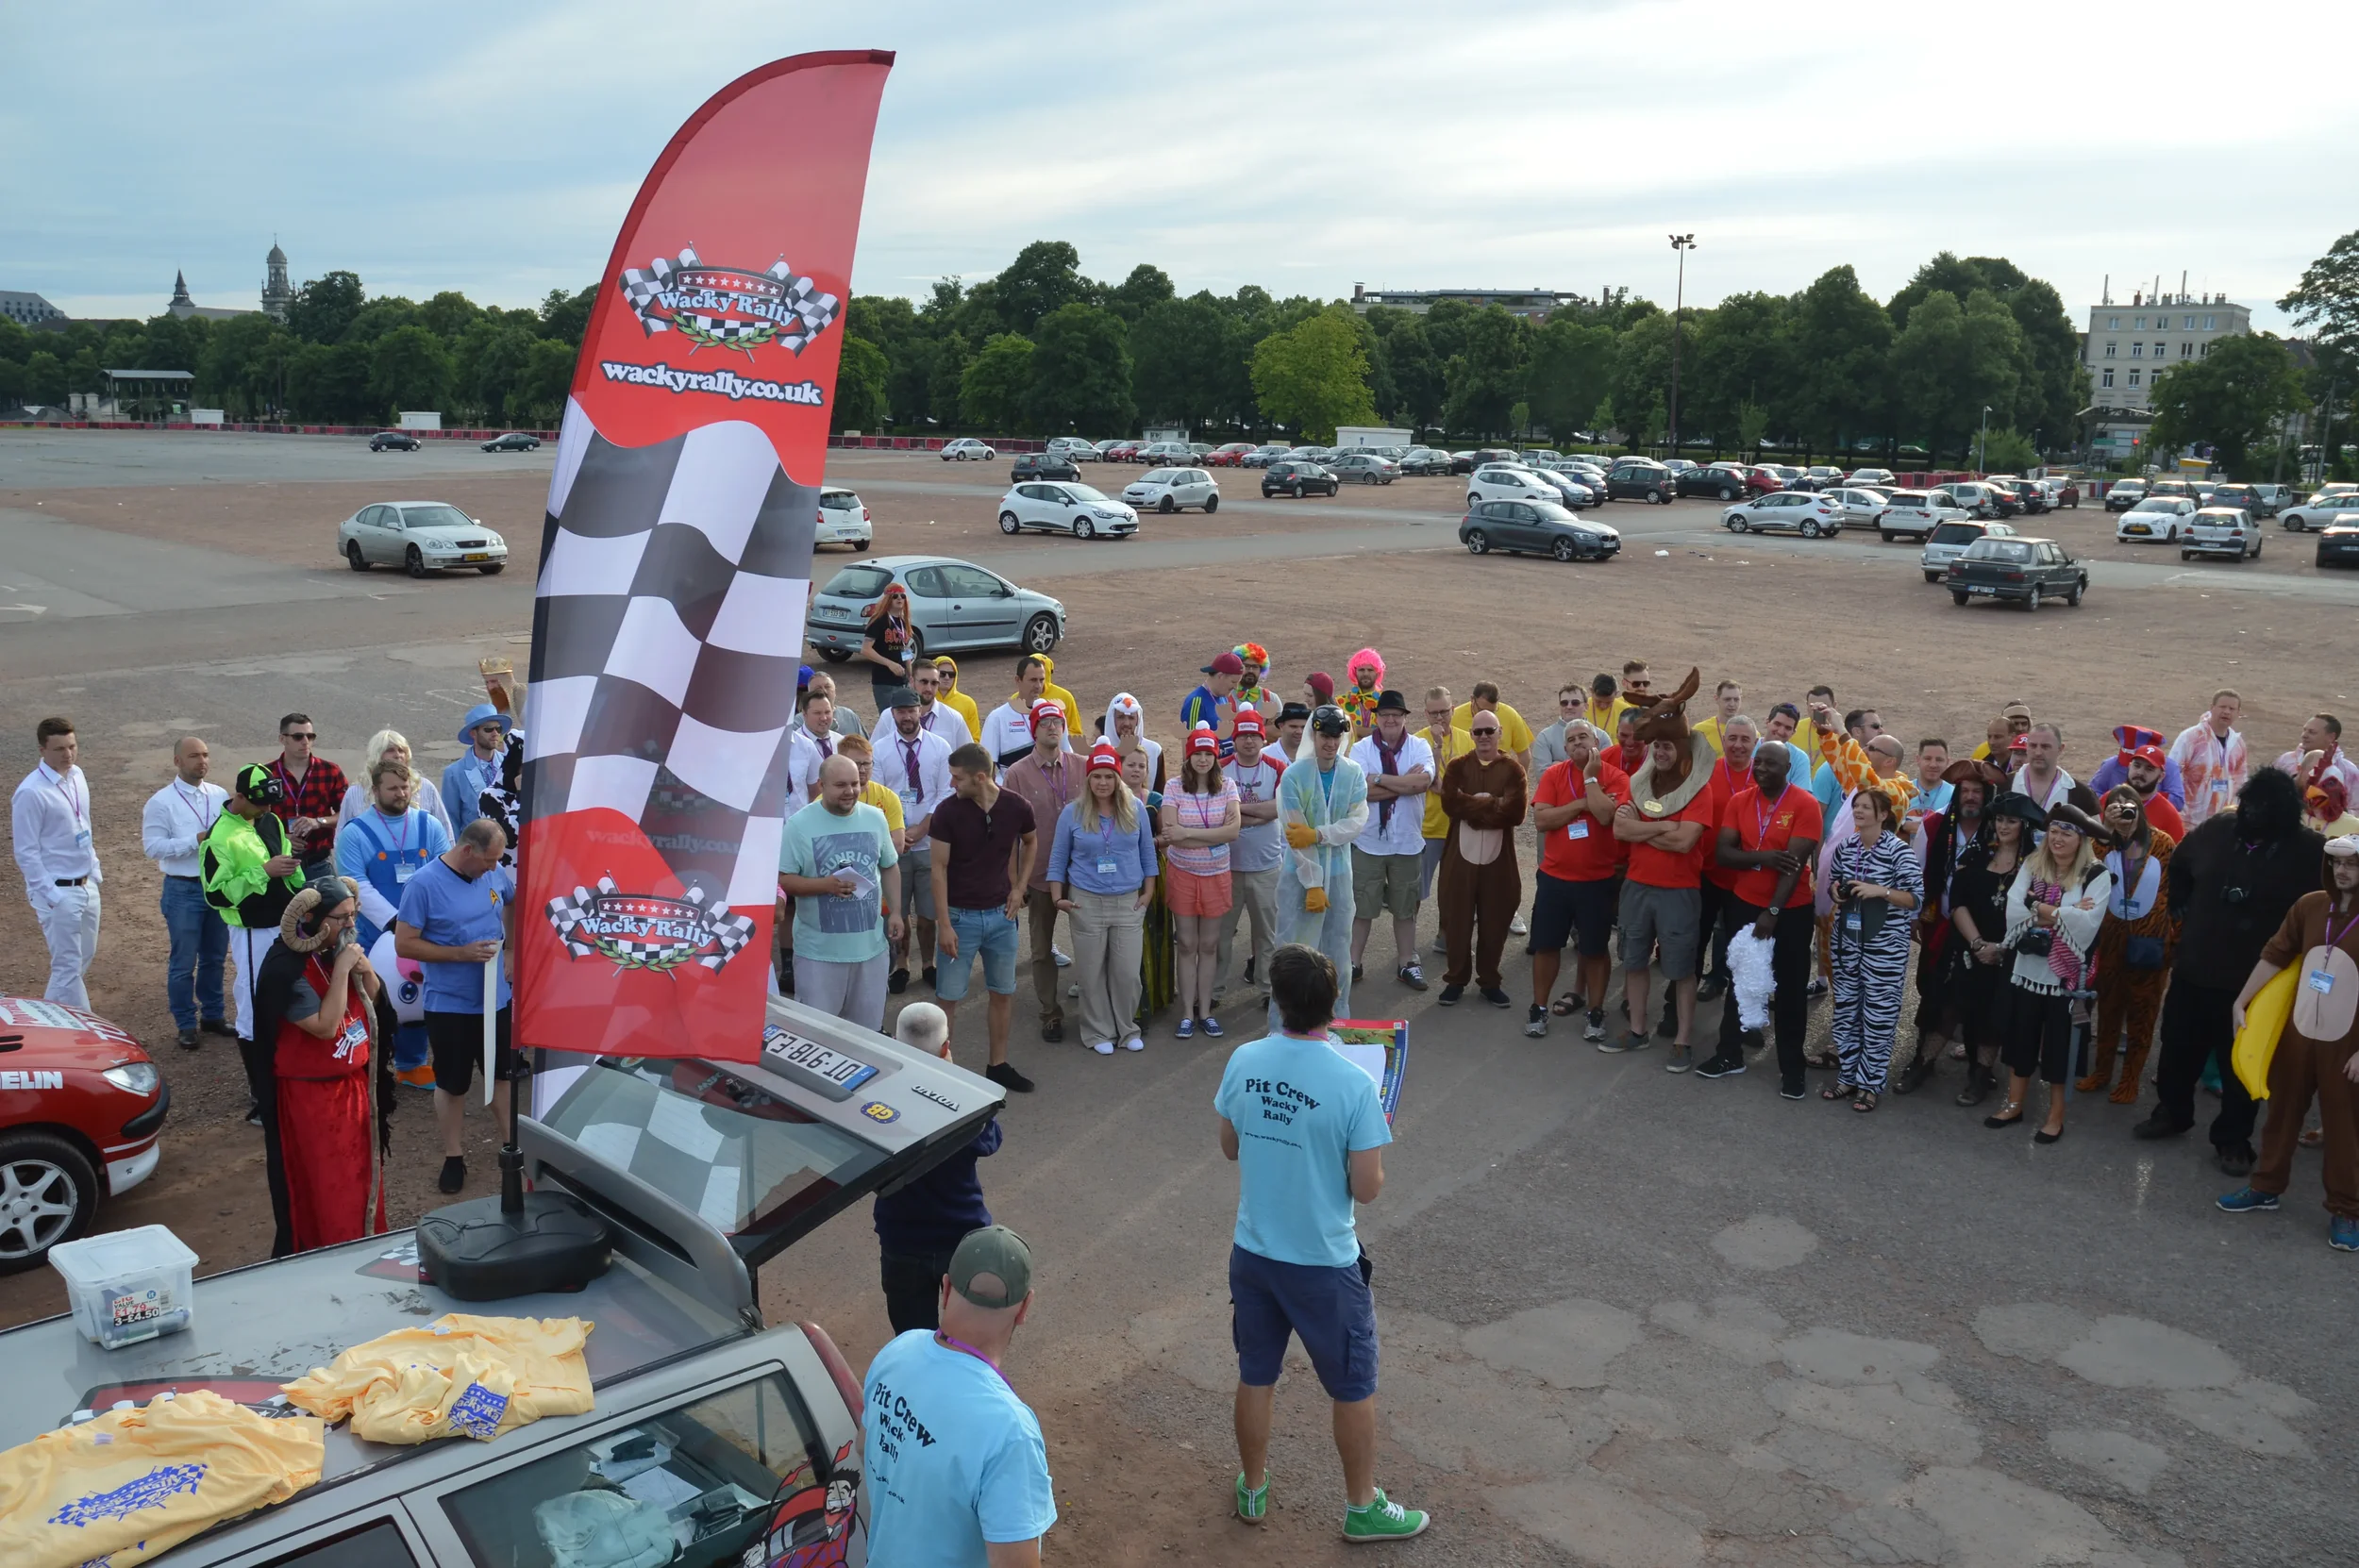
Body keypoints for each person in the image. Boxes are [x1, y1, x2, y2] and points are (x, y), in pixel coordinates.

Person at [1214, 944, 1427, 1542]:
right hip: (1324, 1262)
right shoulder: (1353, 1083)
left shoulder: (1243, 1059)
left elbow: (1230, 1146)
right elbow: (1368, 1189)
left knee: (1256, 1373)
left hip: (1254, 1250)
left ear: (1277, 1002)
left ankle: (1252, 1488)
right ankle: (1361, 1507)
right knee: (1353, 1385)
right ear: (1333, 1006)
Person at [2136, 768, 2324, 1172]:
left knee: (2241, 1067)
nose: (2254, 813)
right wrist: (2179, 902)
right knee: (2176, 1051)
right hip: (2194, 968)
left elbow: (2333, 897)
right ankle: (2172, 1113)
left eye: (2265, 808)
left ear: (2286, 813)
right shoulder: (2220, 830)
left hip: (2255, 984)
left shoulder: (2309, 852)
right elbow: (2181, 862)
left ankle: (2233, 1140)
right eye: (2250, 804)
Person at [860, 1226, 1057, 1564]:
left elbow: (867, 1445)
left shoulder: (897, 1351)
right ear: (1025, 1308)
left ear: (947, 1288)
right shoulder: (1010, 1432)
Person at [2217, 835, 2359, 1252]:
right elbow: (2275, 954)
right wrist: (2241, 1001)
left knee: (2344, 1126)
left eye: (2351, 864)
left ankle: (2347, 1208)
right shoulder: (2311, 906)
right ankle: (2266, 1187)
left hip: (2346, 1042)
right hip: (2299, 1033)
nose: (2342, 872)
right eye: (2336, 864)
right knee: (2280, 1113)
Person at [248, 869, 388, 1256]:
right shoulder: (287, 968)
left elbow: (374, 999)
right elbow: (326, 1027)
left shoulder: (335, 953)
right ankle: (332, 1253)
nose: (350, 924)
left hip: (353, 1090)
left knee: (362, 1178)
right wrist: (343, 970)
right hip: (312, 1098)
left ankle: (366, 1244)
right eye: (341, 918)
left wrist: (363, 969)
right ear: (313, 920)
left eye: (352, 915)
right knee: (329, 1183)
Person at [393, 818, 518, 1195]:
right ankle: (453, 1155)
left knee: (501, 1078)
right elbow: (405, 944)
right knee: (453, 1083)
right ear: (468, 851)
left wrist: (510, 946)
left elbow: (512, 902)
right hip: (450, 1005)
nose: (495, 868)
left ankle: (515, 1147)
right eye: (490, 860)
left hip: (495, 999)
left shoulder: (493, 876)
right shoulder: (424, 885)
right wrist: (459, 954)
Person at [874, 1003, 1005, 1327]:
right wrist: (952, 1077)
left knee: (912, 1341)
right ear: (946, 1046)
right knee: (965, 1342)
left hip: (901, 1237)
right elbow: (990, 1140)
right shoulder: (965, 1095)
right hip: (959, 1236)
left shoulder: (876, 1091)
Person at [1612, 672, 1717, 1065]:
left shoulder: (1699, 788)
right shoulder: (1638, 783)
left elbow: (1685, 841)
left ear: (1682, 746)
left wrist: (1645, 830)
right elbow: (1620, 827)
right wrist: (1663, 826)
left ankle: (1682, 1041)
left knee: (1681, 970)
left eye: (1669, 745)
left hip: (1678, 891)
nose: (1662, 751)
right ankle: (1638, 1030)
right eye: (1657, 745)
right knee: (1635, 962)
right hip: (1637, 887)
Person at [1989, 802, 2110, 1143]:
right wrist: (2062, 911)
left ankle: (2055, 1117)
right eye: (2053, 831)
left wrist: (2037, 908)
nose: (2057, 838)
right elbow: (2012, 911)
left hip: (2066, 979)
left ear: (2081, 838)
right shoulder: (2032, 863)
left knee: (2059, 1048)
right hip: (2027, 970)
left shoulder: (2097, 875)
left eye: (2066, 832)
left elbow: (2087, 926)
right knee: (2020, 1039)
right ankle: (2014, 1104)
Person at [1705, 738, 1821, 1090]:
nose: (1761, 769)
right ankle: (1729, 1054)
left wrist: (1772, 911)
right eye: (1758, 763)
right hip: (1743, 902)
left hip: (1791, 910)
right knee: (1740, 980)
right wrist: (1764, 857)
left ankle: (1792, 1068)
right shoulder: (1741, 802)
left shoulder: (1806, 804)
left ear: (1788, 769)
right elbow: (1723, 853)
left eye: (1771, 764)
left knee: (1789, 989)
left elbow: (1794, 864)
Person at [931, 743, 1038, 1093]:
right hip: (960, 919)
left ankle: (998, 1065)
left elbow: (1031, 841)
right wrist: (944, 924)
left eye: (957, 777)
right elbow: (938, 870)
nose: (952, 783)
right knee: (948, 998)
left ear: (980, 777)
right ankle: (942, 1070)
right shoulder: (946, 812)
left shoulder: (1017, 806)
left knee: (1002, 992)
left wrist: (1019, 887)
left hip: (1001, 918)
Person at [1898, 759, 2001, 1094]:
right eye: (1965, 791)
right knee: (1934, 992)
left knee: (1986, 1001)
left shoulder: (2002, 829)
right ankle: (1921, 1060)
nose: (1971, 797)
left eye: (1977, 791)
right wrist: (1915, 915)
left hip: (1989, 929)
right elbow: (1918, 875)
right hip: (1941, 925)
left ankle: (1980, 1071)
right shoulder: (1933, 826)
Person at [1048, 742, 1160, 1054]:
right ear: (1088, 779)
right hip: (1086, 901)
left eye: (1109, 776)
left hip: (1128, 901)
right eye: (1096, 776)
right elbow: (1058, 858)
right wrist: (1058, 898)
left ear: (1118, 778)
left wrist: (1149, 891)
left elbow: (1147, 853)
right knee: (1091, 973)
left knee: (1126, 973)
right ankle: (1098, 1033)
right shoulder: (1073, 812)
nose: (1102, 782)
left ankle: (1127, 1029)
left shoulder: (1135, 808)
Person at [204, 762, 308, 1095]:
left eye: (270, 804)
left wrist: (294, 876)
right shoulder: (218, 837)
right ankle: (260, 1094)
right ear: (239, 797)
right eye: (260, 803)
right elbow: (217, 894)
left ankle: (286, 1080)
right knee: (252, 1008)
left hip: (286, 925)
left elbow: (286, 861)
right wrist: (264, 871)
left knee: (290, 998)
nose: (266, 810)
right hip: (251, 933)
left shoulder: (271, 820)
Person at [777, 756, 901, 1031]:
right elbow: (784, 879)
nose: (851, 791)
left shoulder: (875, 818)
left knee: (868, 1036)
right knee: (817, 1037)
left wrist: (897, 912)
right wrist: (827, 885)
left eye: (855, 784)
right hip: (819, 957)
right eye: (841, 785)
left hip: (871, 952)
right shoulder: (798, 825)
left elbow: (890, 866)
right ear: (821, 785)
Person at [1820, 790, 1924, 1113]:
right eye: (1856, 806)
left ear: (1883, 815)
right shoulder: (1846, 847)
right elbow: (1834, 883)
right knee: (1846, 1011)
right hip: (1847, 943)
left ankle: (1869, 1084)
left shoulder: (1899, 852)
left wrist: (1882, 892)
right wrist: (1836, 891)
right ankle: (1848, 1076)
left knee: (1878, 1016)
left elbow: (1916, 899)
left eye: (1866, 807)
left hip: (1885, 949)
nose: (1859, 811)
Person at [1529, 719, 1631, 1041]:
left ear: (1597, 741)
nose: (1576, 743)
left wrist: (1589, 780)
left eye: (1582, 737)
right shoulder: (1553, 775)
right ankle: (1539, 1007)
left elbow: (1605, 815)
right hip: (1554, 879)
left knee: (1595, 950)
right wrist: (1581, 804)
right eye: (1570, 740)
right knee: (1547, 946)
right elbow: (1542, 820)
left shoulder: (1616, 777)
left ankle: (1596, 1012)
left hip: (1597, 881)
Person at [2081, 785, 2177, 1104]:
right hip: (2110, 941)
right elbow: (2085, 872)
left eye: (2129, 806)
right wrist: (2106, 831)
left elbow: (2176, 893)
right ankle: (2102, 1073)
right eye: (2116, 806)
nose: (2124, 812)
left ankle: (2130, 1079)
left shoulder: (2162, 843)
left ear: (2140, 808)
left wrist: (2171, 939)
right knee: (2107, 1012)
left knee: (2142, 1016)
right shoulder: (2103, 845)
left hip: (2149, 943)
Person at [1275, 706, 1367, 1024]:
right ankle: (1284, 1024)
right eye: (1325, 736)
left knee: (1338, 953)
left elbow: (1357, 821)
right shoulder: (1294, 776)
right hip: (1299, 877)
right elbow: (1293, 833)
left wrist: (1319, 834)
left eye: (1336, 736)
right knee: (1292, 953)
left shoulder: (1353, 773)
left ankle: (1336, 1020)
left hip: (1340, 875)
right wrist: (1313, 882)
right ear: (1313, 735)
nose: (1330, 743)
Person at [142, 735, 231, 1048]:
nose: (202, 761)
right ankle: (185, 1023)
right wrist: (197, 839)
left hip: (218, 887)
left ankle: (213, 1015)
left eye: (206, 755)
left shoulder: (219, 795)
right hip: (183, 890)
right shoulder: (161, 802)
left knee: (215, 958)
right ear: (178, 761)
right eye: (194, 756)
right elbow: (153, 848)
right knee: (183, 961)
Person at [1436, 708, 1527, 1009]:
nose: (1484, 737)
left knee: (1495, 920)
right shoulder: (1458, 767)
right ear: (1471, 734)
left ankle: (1489, 981)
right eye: (1478, 732)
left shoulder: (1513, 770)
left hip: (1499, 860)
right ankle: (1456, 980)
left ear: (1500, 732)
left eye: (1490, 731)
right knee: (1456, 918)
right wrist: (1492, 805)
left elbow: (1515, 813)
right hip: (1460, 857)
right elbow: (1450, 803)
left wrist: (1474, 805)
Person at [1949, 792, 2035, 1107]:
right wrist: (1977, 944)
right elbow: (1957, 902)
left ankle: (1982, 1074)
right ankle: (1975, 1066)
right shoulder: (1976, 856)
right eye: (1999, 819)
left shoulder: (2036, 864)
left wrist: (2002, 948)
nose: (2003, 825)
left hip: (2012, 954)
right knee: (1971, 1014)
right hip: (1973, 949)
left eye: (2011, 821)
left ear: (2024, 825)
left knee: (1996, 1017)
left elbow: (2037, 912)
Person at [13, 716, 104, 1009]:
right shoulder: (30, 793)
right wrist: (51, 895)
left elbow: (83, 824)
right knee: (67, 966)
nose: (68, 754)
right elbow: (26, 852)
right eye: (59, 749)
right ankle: (84, 1033)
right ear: (42, 750)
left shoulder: (77, 775)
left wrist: (95, 869)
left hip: (87, 884)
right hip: (58, 891)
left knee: (81, 960)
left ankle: (48, 1018)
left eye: (72, 746)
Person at [1003, 705, 1080, 1043]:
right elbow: (1008, 835)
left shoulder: (1083, 767)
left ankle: (1097, 1005)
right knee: (1040, 948)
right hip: (1038, 875)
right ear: (1034, 730)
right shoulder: (1017, 774)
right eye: (1045, 722)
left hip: (1083, 876)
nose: (1052, 727)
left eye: (1057, 722)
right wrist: (1014, 884)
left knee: (1092, 944)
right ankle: (1050, 1012)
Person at [1348, 691, 1434, 993]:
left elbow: (1423, 782)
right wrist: (1402, 784)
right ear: (1376, 717)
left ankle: (1407, 963)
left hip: (1408, 844)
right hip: (1368, 843)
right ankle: (1353, 964)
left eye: (1396, 714)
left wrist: (1379, 778)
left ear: (1404, 718)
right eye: (1385, 714)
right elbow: (1358, 792)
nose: (1390, 719)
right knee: (1361, 908)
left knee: (1405, 909)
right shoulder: (1359, 750)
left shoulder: (1420, 746)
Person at [874, 687, 956, 993]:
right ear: (892, 714)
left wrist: (923, 828)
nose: (907, 717)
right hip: (893, 845)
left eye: (911, 710)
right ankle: (902, 964)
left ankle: (928, 964)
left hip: (929, 843)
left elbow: (947, 792)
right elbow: (876, 794)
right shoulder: (880, 749)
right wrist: (896, 834)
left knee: (927, 913)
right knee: (898, 911)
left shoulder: (939, 747)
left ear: (920, 711)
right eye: (901, 712)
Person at [1164, 726, 1243, 1037]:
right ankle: (1186, 1012)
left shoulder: (1228, 787)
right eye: (1197, 753)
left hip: (1216, 875)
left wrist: (1188, 834)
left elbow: (1233, 832)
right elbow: (1171, 834)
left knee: (1209, 945)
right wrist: (1210, 838)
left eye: (1207, 754)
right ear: (1189, 755)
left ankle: (1205, 1011)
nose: (1202, 759)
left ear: (1215, 756)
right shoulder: (1173, 786)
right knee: (1186, 944)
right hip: (1182, 873)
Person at [336, 759, 454, 953]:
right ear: (375, 791)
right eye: (392, 789)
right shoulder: (354, 833)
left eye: (405, 787)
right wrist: (394, 921)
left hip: (426, 935)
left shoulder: (430, 824)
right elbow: (356, 884)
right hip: (374, 941)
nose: (401, 794)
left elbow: (446, 875)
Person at [1216, 710, 1284, 1003]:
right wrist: (1260, 814)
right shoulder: (1220, 768)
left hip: (1266, 866)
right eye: (1243, 735)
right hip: (1226, 867)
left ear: (1262, 737)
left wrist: (1238, 812)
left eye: (1254, 735)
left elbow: (1279, 809)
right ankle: (1214, 990)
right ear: (1235, 737)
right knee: (1220, 936)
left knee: (1267, 935)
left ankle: (1268, 990)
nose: (1248, 741)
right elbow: (1216, 812)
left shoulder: (1278, 767)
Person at [1125, 745, 1179, 1021]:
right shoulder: (1111, 796)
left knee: (1157, 930)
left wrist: (1146, 843)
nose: (1136, 770)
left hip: (1154, 870)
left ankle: (1158, 996)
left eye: (1141, 766)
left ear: (1147, 771)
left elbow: (1167, 836)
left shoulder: (1156, 798)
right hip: (1123, 873)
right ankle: (1134, 1001)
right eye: (1131, 764)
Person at [267, 712, 349, 876]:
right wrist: (283, 837)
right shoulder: (267, 774)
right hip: (278, 863)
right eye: (298, 736)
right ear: (282, 739)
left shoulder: (330, 771)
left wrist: (319, 822)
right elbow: (251, 820)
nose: (305, 742)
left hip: (319, 861)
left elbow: (348, 813)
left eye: (310, 736)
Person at [1415, 688, 1475, 908]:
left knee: (1455, 892)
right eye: (1433, 713)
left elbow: (1472, 780)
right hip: (1427, 828)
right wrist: (1437, 746)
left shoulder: (1468, 739)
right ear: (1425, 714)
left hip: (1459, 828)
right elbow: (1425, 781)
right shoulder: (1417, 742)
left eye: (1444, 711)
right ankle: (1408, 939)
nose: (1439, 717)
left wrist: (1447, 789)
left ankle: (1446, 938)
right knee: (1416, 892)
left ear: (1453, 709)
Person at [2168, 689, 2249, 831]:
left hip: (2223, 824)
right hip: (2189, 822)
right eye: (2222, 707)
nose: (2226, 712)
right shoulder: (2191, 738)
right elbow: (2172, 774)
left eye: (2231, 709)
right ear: (2212, 707)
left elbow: (2241, 781)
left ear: (2238, 713)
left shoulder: (2238, 744)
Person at [436, 709, 509, 832]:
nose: (495, 733)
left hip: (508, 845)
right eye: (488, 729)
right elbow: (450, 819)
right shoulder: (454, 773)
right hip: (475, 846)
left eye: (498, 729)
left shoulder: (509, 764)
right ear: (473, 733)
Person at [2088, 724, 2187, 810]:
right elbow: (2092, 793)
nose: (2139, 772)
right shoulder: (2111, 764)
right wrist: (2113, 802)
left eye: (2149, 768)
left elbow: (2178, 802)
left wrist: (2146, 797)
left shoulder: (2169, 766)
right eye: (2136, 765)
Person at [835, 736, 907, 851]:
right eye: (857, 764)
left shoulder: (888, 797)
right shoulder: (825, 800)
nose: (863, 770)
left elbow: (898, 845)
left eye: (867, 763)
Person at [980, 656, 1052, 767]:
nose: (1038, 685)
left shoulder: (1052, 715)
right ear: (1018, 680)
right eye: (1033, 680)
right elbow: (986, 766)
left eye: (1041, 680)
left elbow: (1065, 755)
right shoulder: (997, 718)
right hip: (1010, 783)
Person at [1452, 681, 1534, 776]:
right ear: (1472, 699)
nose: (1487, 715)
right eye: (1482, 710)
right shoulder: (1454, 718)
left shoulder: (1510, 715)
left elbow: (1524, 754)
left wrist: (1518, 782)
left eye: (1492, 711)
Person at [859, 581, 917, 709]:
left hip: (902, 682)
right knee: (889, 719)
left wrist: (910, 673)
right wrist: (890, 664)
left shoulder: (903, 621)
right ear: (888, 599)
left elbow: (905, 648)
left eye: (903, 596)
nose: (900, 598)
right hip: (884, 682)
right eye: (895, 596)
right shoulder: (879, 620)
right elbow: (865, 649)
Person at [2274, 712, 2359, 798]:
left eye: (2312, 732)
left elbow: (2356, 808)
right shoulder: (2286, 760)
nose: (2304, 735)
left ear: (2331, 737)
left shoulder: (2348, 771)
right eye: (2304, 730)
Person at [1182, 651, 1243, 754]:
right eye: (1233, 682)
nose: (1236, 687)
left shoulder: (1223, 697)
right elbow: (1190, 747)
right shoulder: (1196, 702)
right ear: (1220, 676)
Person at [908, 658, 976, 751]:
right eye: (924, 682)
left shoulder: (954, 719)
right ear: (912, 681)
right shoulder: (890, 718)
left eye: (934, 683)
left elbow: (968, 755)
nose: (929, 688)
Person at [2013, 723, 2077, 812]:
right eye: (2033, 746)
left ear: (2060, 749)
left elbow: (2094, 826)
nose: (2038, 752)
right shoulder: (2006, 783)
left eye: (2045, 747)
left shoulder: (2078, 793)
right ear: (2026, 747)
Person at [1531, 682, 1587, 773]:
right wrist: (1587, 769)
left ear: (1586, 706)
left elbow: (1606, 774)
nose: (1569, 707)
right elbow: (1543, 776)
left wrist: (1559, 767)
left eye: (1575, 703)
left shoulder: (1601, 736)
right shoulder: (1544, 737)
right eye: (1564, 703)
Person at [932, 654, 984, 742]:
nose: (947, 678)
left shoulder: (968, 703)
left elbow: (975, 739)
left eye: (951, 674)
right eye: (942, 674)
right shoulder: (924, 701)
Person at [803, 670, 866, 737]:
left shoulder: (849, 716)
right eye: (818, 688)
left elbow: (864, 745)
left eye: (827, 687)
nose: (824, 691)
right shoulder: (798, 722)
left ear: (835, 691)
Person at [1338, 648, 1385, 738]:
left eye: (1370, 670)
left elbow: (1390, 733)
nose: (1366, 674)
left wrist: (1352, 729)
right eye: (1361, 670)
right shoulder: (1341, 702)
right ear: (1354, 672)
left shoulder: (1386, 702)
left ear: (1378, 673)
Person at [1693, 679, 1744, 758]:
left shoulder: (1750, 732)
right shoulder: (1700, 731)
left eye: (1736, 699)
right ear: (1716, 699)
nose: (1732, 704)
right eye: (1727, 699)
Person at [1232, 642, 1275, 712]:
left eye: (1255, 667)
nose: (1251, 671)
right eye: (1246, 666)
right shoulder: (1225, 697)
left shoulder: (1272, 699)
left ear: (1261, 670)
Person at [1268, 700, 1310, 768]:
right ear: (1281, 726)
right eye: (1293, 726)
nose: (1299, 731)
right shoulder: (1266, 755)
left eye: (1303, 727)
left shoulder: (1314, 755)